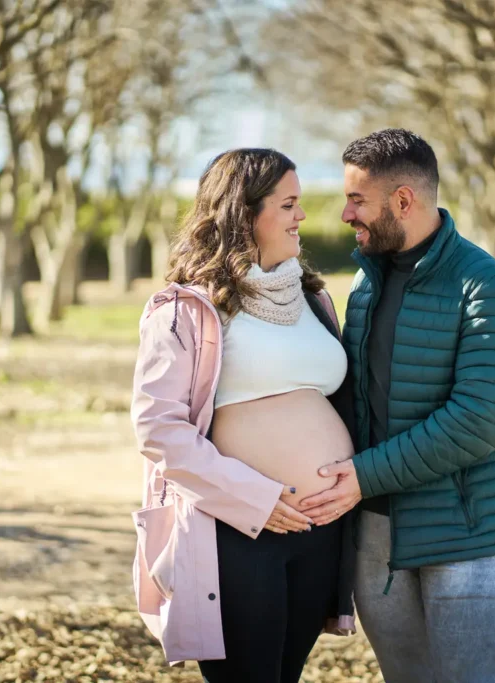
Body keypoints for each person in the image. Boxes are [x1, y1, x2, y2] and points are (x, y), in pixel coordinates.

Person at [301, 129, 495, 682]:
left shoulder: (485, 286)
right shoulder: (366, 285)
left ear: (403, 200)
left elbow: (480, 420)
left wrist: (363, 476)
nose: (345, 214)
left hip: (462, 540)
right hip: (376, 541)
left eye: (357, 199)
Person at [130, 148, 357, 683]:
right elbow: (159, 429)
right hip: (236, 531)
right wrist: (256, 499)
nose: (302, 215)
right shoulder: (186, 309)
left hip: (320, 532)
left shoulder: (313, 301)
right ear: (245, 212)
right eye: (288, 204)